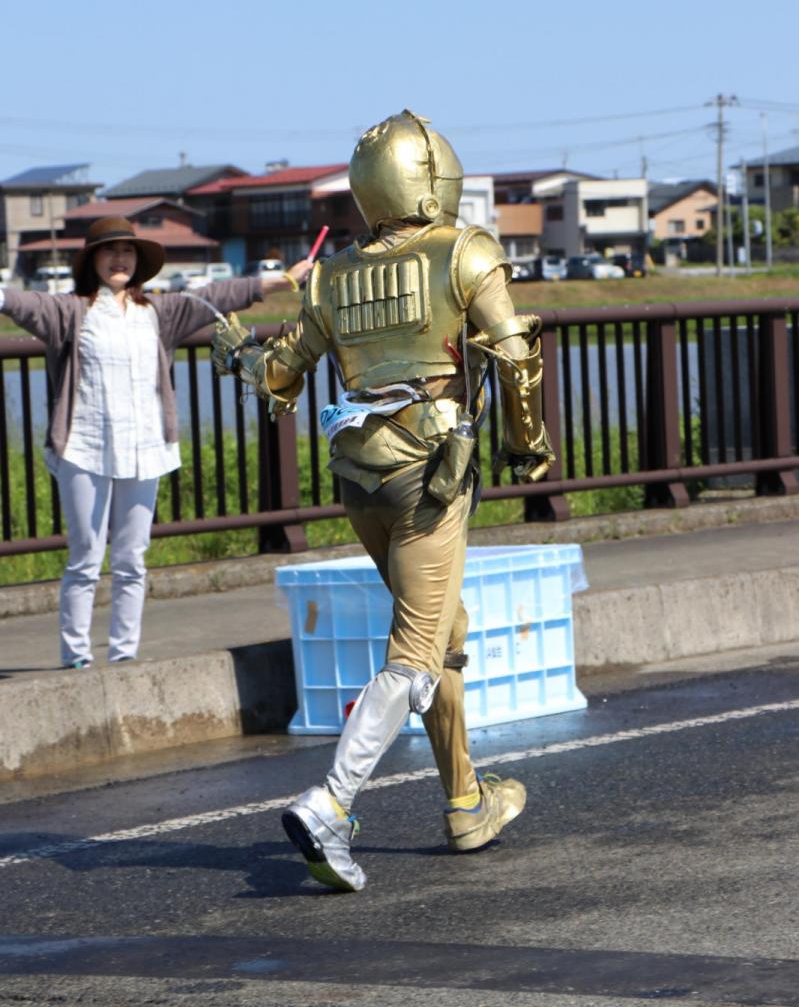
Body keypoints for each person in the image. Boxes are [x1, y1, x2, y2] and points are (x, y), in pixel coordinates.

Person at [212, 110, 555, 892]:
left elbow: (281, 375)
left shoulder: (334, 275)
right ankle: (331, 803)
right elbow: (512, 351)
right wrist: (525, 442)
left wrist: (239, 355)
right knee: (411, 654)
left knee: (442, 632)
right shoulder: (464, 249)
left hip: (356, 473)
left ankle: (466, 802)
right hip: (430, 471)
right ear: (431, 175)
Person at [0, 216, 312, 670]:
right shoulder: (68, 310)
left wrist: (282, 280)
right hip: (84, 448)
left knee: (131, 560)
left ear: (139, 261)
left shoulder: (161, 311)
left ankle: (125, 657)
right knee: (85, 558)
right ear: (92, 261)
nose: (119, 258)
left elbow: (216, 297)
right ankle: (77, 659)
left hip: (145, 448)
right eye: (109, 251)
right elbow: (20, 303)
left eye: (127, 251)